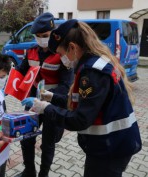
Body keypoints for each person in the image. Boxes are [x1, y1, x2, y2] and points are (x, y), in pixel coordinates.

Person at [30, 19, 142, 177]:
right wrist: (52, 97)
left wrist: (46, 109)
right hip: (112, 143)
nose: (62, 59)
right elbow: (81, 102)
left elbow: (79, 119)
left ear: (73, 48)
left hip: (111, 148)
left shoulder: (91, 73)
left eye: (62, 54)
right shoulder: (92, 63)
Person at [14, 12, 74, 177]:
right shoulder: (32, 51)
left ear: (53, 34)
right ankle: (29, 171)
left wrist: (48, 96)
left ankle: (43, 174)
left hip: (52, 102)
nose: (41, 39)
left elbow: (66, 86)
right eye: (38, 36)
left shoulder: (61, 54)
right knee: (26, 137)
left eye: (45, 35)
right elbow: (21, 70)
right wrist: (9, 81)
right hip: (32, 100)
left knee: (48, 142)